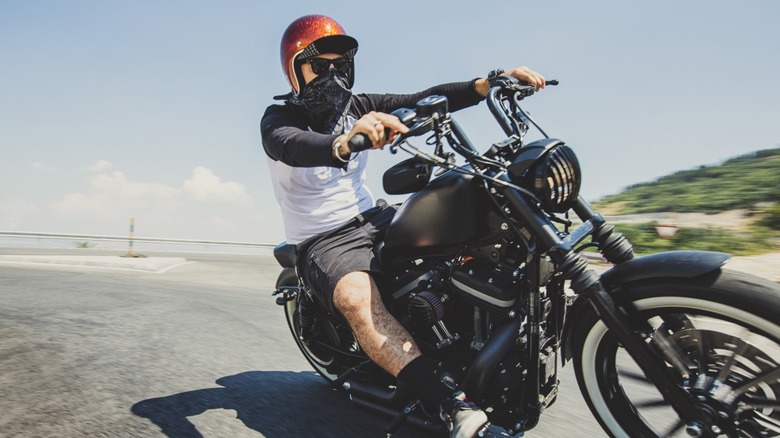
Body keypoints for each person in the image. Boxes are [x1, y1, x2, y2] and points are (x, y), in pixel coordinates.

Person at [261, 14, 546, 438]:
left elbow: (424, 97)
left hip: (373, 216)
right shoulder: (279, 117)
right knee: (358, 299)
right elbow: (291, 145)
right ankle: (451, 403)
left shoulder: (357, 106)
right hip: (323, 239)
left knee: (466, 227)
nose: (332, 74)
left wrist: (488, 84)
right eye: (320, 66)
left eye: (341, 65)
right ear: (295, 69)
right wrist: (344, 142)